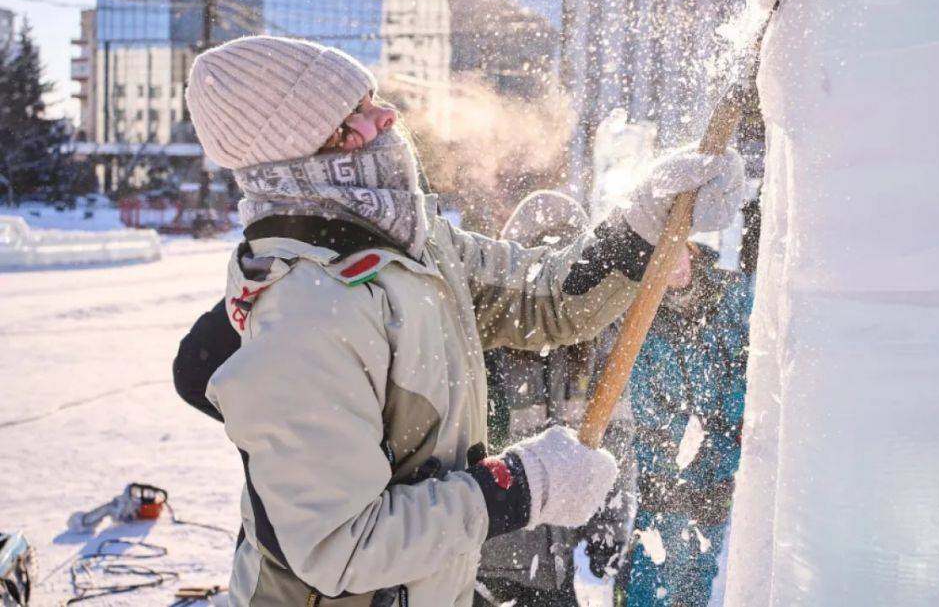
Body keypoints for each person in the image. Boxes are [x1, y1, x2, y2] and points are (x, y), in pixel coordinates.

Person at [175, 35, 745, 607]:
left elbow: (545, 299)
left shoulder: (416, 245)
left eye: (374, 96)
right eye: (361, 112)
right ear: (319, 145)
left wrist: (641, 225)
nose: (388, 115)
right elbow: (341, 547)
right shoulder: (303, 314)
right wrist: (521, 489)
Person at [475, 191, 635, 607]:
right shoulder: (484, 344)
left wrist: (610, 528)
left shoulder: (601, 346)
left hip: (552, 565)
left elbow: (616, 442)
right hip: (486, 559)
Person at [625, 204, 758, 607]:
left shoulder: (731, 295)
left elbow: (749, 368)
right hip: (663, 472)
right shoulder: (641, 316)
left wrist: (716, 433)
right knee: (650, 573)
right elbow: (642, 394)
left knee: (697, 573)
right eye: (661, 261)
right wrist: (678, 441)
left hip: (717, 468)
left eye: (676, 252)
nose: (674, 268)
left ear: (690, 246)